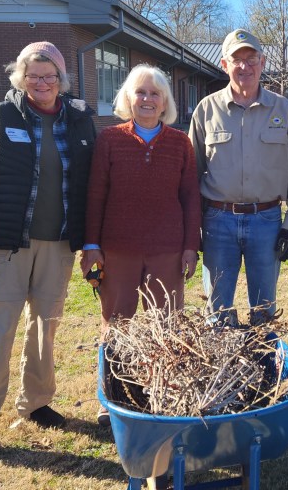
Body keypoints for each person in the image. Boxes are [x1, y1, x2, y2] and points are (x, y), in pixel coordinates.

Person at [0, 41, 96, 469]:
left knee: (45, 328)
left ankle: (35, 403)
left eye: (49, 75)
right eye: (33, 75)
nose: (41, 83)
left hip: (58, 245)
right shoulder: (0, 116)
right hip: (7, 243)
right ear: (20, 77)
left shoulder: (79, 120)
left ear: (61, 80)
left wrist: (91, 240)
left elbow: (93, 183)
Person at [81, 64, 201, 425]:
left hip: (167, 249)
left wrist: (190, 247)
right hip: (118, 249)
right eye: (140, 92)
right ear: (128, 99)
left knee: (167, 325)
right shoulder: (110, 139)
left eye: (155, 93)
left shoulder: (180, 143)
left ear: (165, 103)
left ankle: (164, 390)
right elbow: (96, 194)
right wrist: (91, 245)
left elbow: (190, 197)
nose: (147, 99)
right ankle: (112, 396)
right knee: (116, 324)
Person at [188, 28, 288, 325]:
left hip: (267, 222)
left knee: (265, 311)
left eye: (251, 58)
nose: (245, 66)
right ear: (224, 64)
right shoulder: (206, 110)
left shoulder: (283, 110)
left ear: (263, 62)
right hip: (218, 222)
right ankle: (221, 369)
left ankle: (265, 366)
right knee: (217, 312)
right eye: (237, 59)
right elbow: (189, 178)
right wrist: (193, 230)